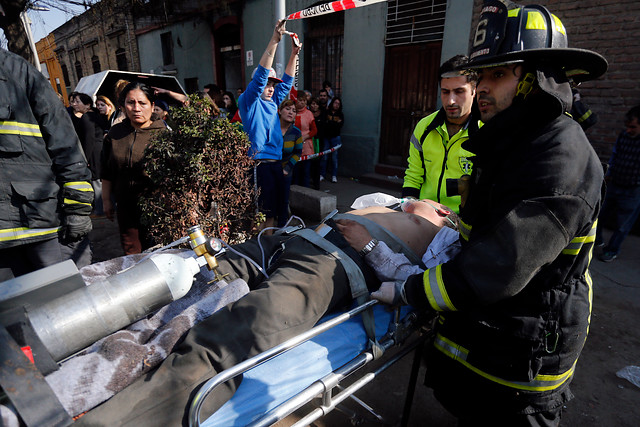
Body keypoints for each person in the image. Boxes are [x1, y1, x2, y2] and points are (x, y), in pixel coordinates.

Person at [372, 1, 607, 425]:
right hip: (486, 335)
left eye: (498, 74)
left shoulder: (560, 158)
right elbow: (476, 231)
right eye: (481, 75)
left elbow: (499, 265)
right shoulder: (508, 141)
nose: (481, 87)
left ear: (536, 79)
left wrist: (412, 292)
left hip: (521, 360)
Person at [74, 199, 455, 426]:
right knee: (180, 274)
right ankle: (77, 321)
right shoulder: (398, 200)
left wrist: (369, 243)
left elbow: (419, 286)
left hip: (334, 265)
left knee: (229, 340)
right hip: (287, 239)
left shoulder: (450, 239)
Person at [0, 48, 94, 281]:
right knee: (13, 315)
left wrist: (77, 209)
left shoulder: (16, 70)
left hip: (42, 226)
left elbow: (65, 143)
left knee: (69, 303)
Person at [237, 19, 301, 232]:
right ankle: (259, 249)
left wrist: (294, 54)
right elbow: (262, 74)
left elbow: (288, 80)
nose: (271, 88)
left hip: (276, 163)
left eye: (273, 85)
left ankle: (272, 245)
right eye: (267, 84)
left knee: (276, 211)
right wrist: (275, 40)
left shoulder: (274, 102)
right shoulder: (249, 102)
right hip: (259, 165)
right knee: (260, 214)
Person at [402, 55, 481, 213]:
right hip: (424, 215)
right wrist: (408, 208)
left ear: (474, 91)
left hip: (465, 220)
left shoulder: (486, 132)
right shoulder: (424, 127)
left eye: (459, 91)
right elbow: (413, 175)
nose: (451, 101)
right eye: (445, 92)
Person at [101, 82, 167, 255]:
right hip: (126, 205)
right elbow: (107, 170)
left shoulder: (164, 135)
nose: (136, 108)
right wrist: (106, 200)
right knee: (132, 253)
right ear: (123, 107)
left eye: (142, 103)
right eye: (131, 103)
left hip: (157, 207)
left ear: (152, 106)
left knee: (159, 252)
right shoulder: (115, 134)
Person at [595, 105, 640, 262]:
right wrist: (609, 174)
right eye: (627, 127)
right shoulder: (623, 136)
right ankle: (597, 239)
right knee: (600, 214)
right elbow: (615, 155)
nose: (629, 130)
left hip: (633, 190)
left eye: (633, 127)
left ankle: (612, 250)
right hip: (614, 184)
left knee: (623, 224)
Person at [278, 99, 303, 227]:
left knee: (283, 200)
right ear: (280, 111)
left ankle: (281, 226)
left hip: (285, 171)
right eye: (288, 109)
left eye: (294, 111)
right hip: (269, 168)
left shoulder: (296, 132)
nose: (290, 113)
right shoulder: (272, 128)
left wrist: (287, 168)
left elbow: (298, 153)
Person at [292, 94, 317, 187]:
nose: (302, 102)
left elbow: (314, 130)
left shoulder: (309, 114)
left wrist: (304, 137)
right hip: (294, 147)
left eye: (303, 100)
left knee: (306, 172)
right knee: (295, 172)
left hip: (306, 147)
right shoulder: (292, 112)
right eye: (299, 100)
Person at [320, 97, 344, 183]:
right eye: (335, 103)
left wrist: (330, 123)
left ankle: (334, 175)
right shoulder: (327, 112)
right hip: (326, 137)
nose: (336, 105)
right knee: (324, 156)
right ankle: (322, 174)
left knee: (334, 158)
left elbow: (339, 126)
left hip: (335, 138)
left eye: (338, 104)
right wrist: (333, 124)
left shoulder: (340, 114)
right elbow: (325, 124)